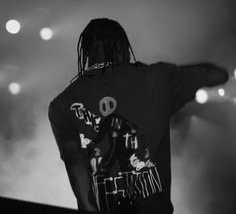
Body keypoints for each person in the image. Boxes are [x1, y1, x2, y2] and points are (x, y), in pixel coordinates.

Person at [48, 18, 229, 214]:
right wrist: (176, 72)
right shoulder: (157, 78)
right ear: (122, 47)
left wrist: (88, 207)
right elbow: (219, 75)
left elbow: (74, 164)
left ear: (86, 52)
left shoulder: (61, 104)